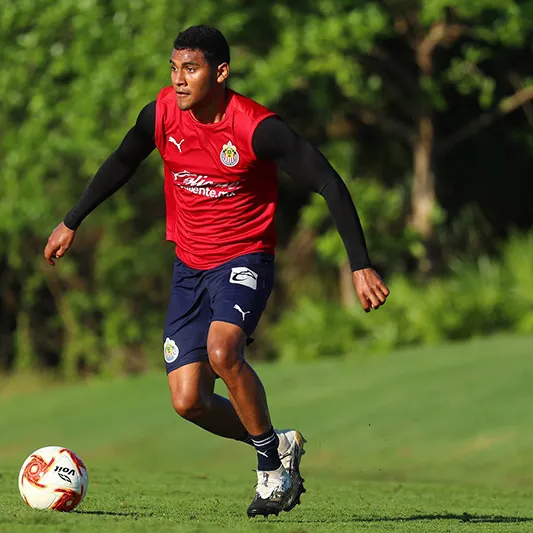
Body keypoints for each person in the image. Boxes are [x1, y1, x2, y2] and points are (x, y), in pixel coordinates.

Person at [43, 25, 389, 517]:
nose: (178, 79)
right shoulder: (160, 114)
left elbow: (329, 182)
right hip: (189, 267)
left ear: (221, 72)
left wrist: (360, 264)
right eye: (174, 68)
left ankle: (272, 472)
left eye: (191, 68)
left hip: (245, 258)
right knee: (189, 401)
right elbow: (121, 162)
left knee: (223, 351)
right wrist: (71, 220)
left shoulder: (256, 127)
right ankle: (275, 443)